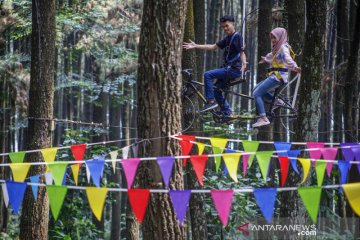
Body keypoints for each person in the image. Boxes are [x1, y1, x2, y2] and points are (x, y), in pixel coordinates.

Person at [183, 15, 247, 117]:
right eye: (223, 27)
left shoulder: (237, 37)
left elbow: (241, 52)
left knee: (208, 74)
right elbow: (213, 47)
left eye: (227, 26)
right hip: (228, 69)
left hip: (233, 69)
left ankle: (210, 102)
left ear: (233, 24)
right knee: (216, 90)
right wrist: (195, 46)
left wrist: (244, 63)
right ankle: (227, 112)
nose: (225, 29)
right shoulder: (227, 39)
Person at [252, 27, 301, 128]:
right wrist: (265, 59)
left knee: (257, 94)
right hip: (275, 76)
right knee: (256, 89)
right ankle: (277, 102)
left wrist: (295, 67)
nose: (273, 40)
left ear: (281, 37)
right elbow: (273, 55)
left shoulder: (283, 48)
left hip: (278, 77)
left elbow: (287, 59)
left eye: (275, 37)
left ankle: (263, 118)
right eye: (272, 38)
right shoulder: (278, 47)